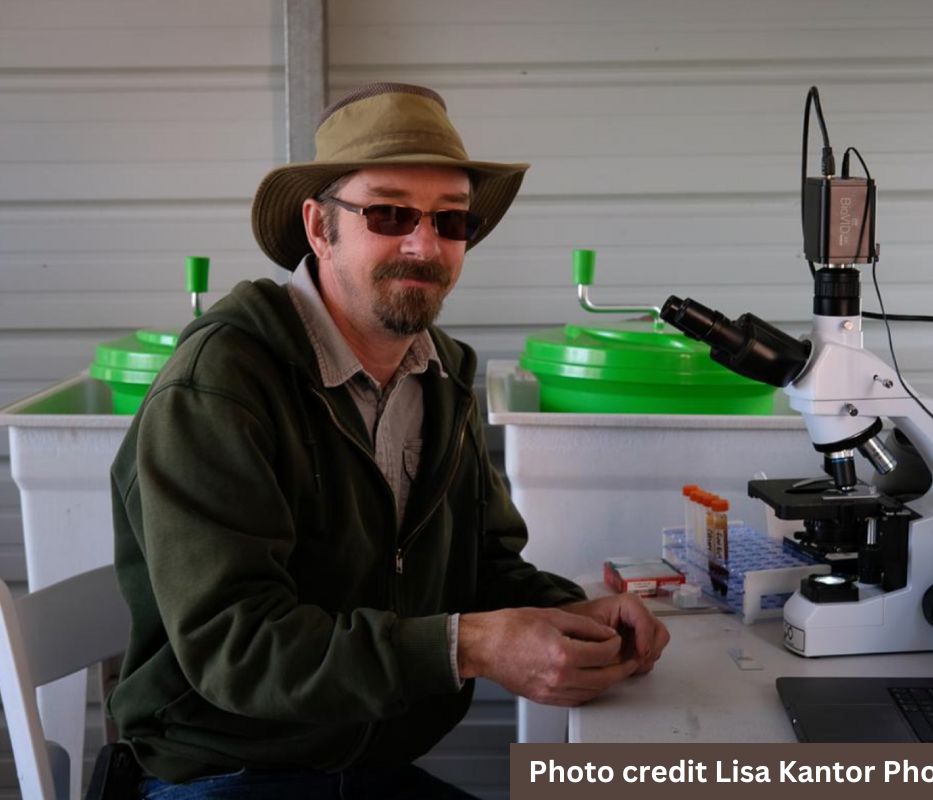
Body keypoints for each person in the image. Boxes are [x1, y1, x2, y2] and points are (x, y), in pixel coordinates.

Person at [108, 82, 669, 798]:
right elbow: (237, 647)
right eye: (389, 212)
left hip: (366, 767)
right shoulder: (222, 385)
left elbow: (484, 567)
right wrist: (472, 645)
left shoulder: (442, 374)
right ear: (319, 228)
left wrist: (573, 614)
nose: (424, 244)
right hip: (228, 770)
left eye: (451, 221)